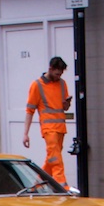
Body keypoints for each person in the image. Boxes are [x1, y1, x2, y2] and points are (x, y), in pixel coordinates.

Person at [23, 56, 72, 188]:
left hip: (61, 128)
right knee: (55, 159)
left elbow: (65, 108)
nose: (58, 76)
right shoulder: (37, 85)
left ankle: (35, 188)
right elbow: (30, 111)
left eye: (61, 74)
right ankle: (62, 187)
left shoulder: (62, 83)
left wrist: (67, 103)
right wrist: (25, 134)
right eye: (57, 73)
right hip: (48, 128)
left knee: (52, 158)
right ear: (50, 69)